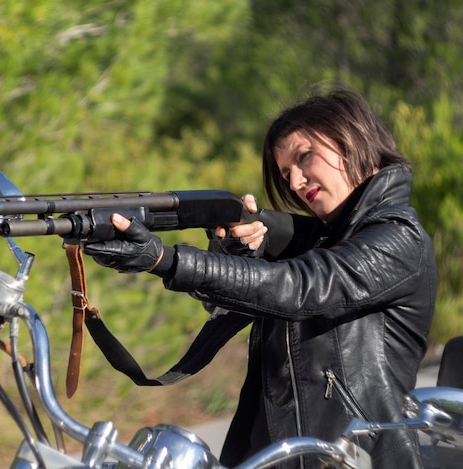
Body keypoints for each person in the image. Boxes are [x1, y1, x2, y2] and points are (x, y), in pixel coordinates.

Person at [83, 87, 437, 468]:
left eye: (305, 157)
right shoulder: (318, 242)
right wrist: (238, 250)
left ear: (351, 139)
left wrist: (165, 262)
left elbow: (299, 289)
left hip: (354, 459)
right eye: (287, 174)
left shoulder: (400, 238)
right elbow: (229, 302)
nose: (297, 182)